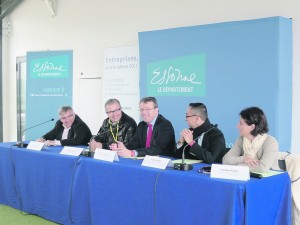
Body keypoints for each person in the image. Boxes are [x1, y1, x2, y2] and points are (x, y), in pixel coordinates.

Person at [222, 106, 279, 173]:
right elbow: (226, 160)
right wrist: (244, 159)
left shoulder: (270, 142)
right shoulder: (241, 139)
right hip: (247, 177)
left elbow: (262, 168)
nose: (237, 126)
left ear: (252, 127)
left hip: (267, 180)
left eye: (241, 123)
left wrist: (236, 167)